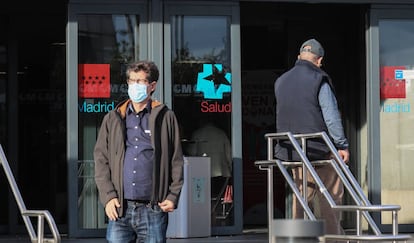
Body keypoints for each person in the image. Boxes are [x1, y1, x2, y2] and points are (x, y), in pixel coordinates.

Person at [94, 60, 184, 243]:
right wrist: (108, 196)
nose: (135, 86)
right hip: (120, 208)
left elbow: (176, 159)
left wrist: (173, 195)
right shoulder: (113, 118)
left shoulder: (165, 117)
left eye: (140, 81)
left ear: (152, 86)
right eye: (132, 81)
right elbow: (101, 158)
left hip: (153, 209)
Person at [273, 38, 350, 240]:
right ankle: (333, 238)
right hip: (318, 149)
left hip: (293, 150)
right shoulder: (319, 78)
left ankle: (296, 238)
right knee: (330, 198)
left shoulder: (281, 81)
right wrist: (341, 145)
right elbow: (331, 117)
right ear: (319, 60)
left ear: (299, 57)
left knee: (300, 197)